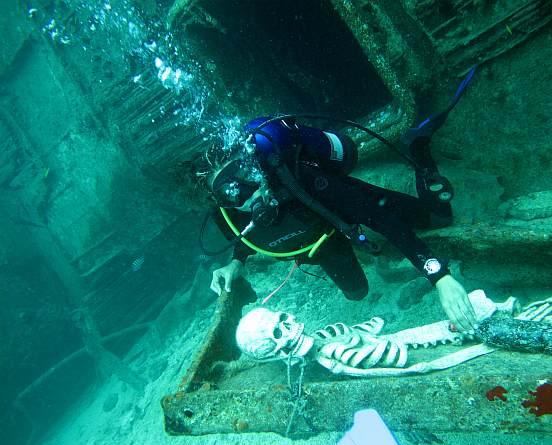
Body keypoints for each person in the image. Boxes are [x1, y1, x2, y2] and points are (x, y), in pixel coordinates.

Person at [197, 70, 478, 331]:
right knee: (357, 294)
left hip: (338, 201)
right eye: (230, 194)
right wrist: (236, 262)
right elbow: (247, 240)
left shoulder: (301, 179)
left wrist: (439, 276)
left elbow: (381, 219)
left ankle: (419, 151)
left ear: (254, 166)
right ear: (219, 201)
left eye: (245, 178)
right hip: (324, 241)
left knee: (440, 218)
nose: (245, 195)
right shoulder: (227, 218)